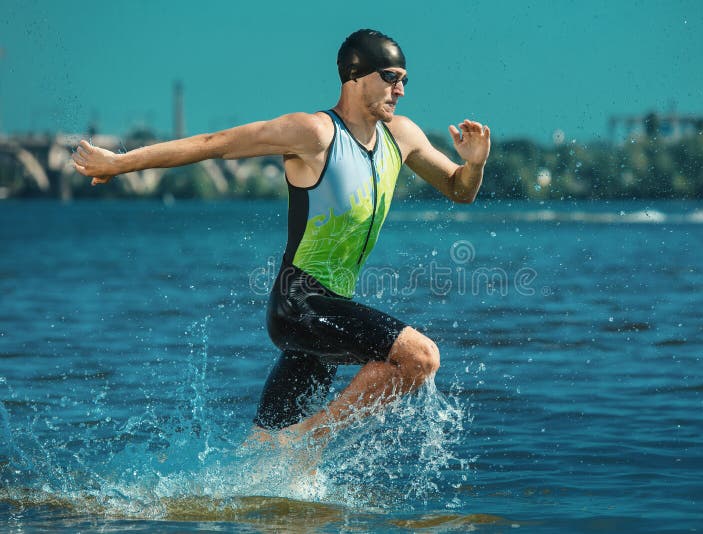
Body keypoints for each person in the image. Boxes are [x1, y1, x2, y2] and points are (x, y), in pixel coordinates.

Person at [72, 29, 490, 447]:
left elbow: (460, 189)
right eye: (390, 76)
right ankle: (311, 435)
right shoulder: (312, 133)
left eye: (404, 80)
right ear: (356, 75)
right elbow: (213, 144)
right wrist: (120, 163)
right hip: (299, 303)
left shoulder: (402, 137)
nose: (400, 89)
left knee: (268, 464)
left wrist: (474, 164)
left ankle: (227, 484)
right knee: (419, 357)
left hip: (331, 313)